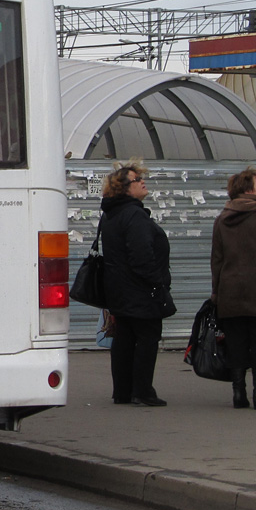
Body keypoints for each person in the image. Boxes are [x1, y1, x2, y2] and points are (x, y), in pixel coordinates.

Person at [100, 161, 174, 407]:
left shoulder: (112, 214)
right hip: (141, 290)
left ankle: (123, 391)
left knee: (124, 338)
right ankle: (142, 391)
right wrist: (158, 282)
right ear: (124, 188)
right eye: (136, 180)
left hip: (119, 290)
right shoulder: (134, 215)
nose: (143, 182)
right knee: (147, 338)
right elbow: (141, 256)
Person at [210, 166, 256, 410]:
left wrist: (217, 291)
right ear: (248, 189)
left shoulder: (222, 218)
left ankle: (238, 394)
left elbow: (217, 260)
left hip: (230, 291)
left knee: (235, 342)